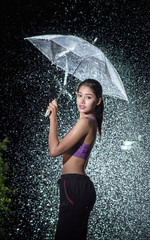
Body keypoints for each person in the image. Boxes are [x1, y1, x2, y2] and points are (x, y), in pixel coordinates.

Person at [48, 79, 104, 240]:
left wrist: (53, 118)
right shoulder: (86, 121)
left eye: (88, 97)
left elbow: (54, 150)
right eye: (79, 95)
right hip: (75, 186)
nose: (82, 100)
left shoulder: (86, 122)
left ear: (98, 100)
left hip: (74, 186)